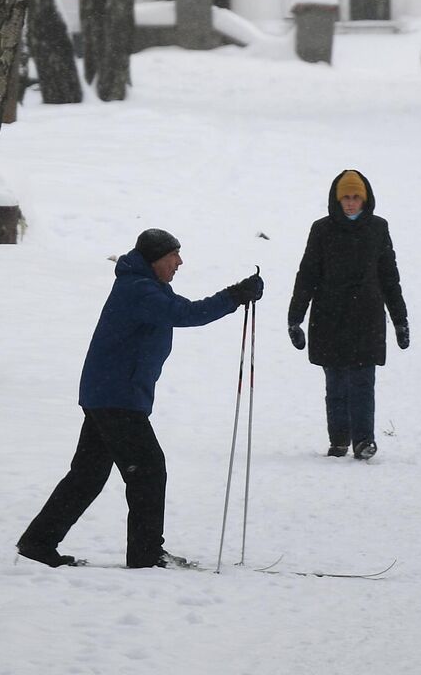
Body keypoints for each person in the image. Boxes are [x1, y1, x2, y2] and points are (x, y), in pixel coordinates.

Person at [16, 228, 264, 569]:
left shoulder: (151, 288)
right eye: (172, 256)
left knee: (87, 475)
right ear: (154, 260)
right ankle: (146, 554)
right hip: (117, 397)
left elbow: (186, 309)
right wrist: (235, 296)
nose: (179, 262)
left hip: (109, 393)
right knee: (148, 470)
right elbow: (187, 315)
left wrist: (233, 296)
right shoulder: (140, 291)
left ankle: (37, 542)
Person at [287, 168, 408, 460]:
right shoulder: (322, 230)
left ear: (365, 200)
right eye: (346, 198)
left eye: (356, 197)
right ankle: (339, 440)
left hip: (367, 317)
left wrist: (400, 320)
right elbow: (308, 275)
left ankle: (364, 441)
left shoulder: (378, 229)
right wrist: (295, 318)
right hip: (330, 316)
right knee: (337, 383)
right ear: (336, 200)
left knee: (363, 382)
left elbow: (389, 277)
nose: (351, 203)